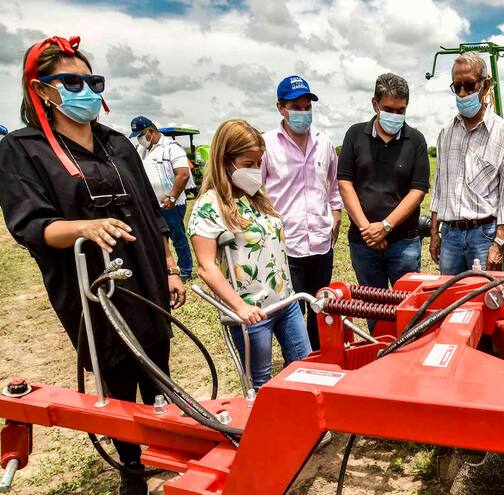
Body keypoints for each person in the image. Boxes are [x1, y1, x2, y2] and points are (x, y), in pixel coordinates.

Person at [0, 36, 186, 495]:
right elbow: (32, 225)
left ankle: (166, 443)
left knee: (156, 365)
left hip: (144, 272)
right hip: (90, 282)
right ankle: (131, 467)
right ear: (43, 90)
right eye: (72, 81)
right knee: (116, 372)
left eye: (92, 80)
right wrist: (83, 227)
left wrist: (170, 267)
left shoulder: (117, 143)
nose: (85, 89)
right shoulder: (24, 150)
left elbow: (150, 210)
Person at [189, 119, 311, 390]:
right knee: (260, 384)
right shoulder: (209, 206)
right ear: (225, 161)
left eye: (258, 163)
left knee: (305, 367)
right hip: (253, 312)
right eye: (248, 164)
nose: (255, 171)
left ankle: (305, 427)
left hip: (286, 302)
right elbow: (206, 266)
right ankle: (266, 431)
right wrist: (240, 307)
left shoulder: (256, 197)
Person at [337, 73, 430, 312]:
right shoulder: (355, 135)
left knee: (408, 309)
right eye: (389, 109)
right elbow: (345, 183)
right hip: (363, 243)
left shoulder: (416, 140)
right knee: (373, 309)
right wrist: (367, 229)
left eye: (401, 111)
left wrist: (386, 226)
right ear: (375, 104)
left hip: (404, 243)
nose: (395, 116)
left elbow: (417, 190)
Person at [262, 75, 341, 351]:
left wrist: (336, 213)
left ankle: (319, 356)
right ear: (280, 108)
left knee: (320, 307)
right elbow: (256, 192)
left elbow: (333, 185)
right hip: (286, 248)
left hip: (321, 242)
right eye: (296, 107)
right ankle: (296, 362)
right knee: (291, 312)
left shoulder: (325, 143)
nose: (303, 113)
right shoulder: (267, 145)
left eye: (307, 106)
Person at [430, 51, 504, 274]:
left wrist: (499, 243)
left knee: (484, 299)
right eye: (457, 86)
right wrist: (434, 233)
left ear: (485, 85)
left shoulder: (501, 133)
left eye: (469, 86)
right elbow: (439, 188)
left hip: (484, 235)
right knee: (449, 299)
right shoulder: (447, 133)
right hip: (450, 234)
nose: (462, 93)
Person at [131, 115, 194, 281]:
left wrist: (172, 198)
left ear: (151, 131)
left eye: (140, 135)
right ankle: (165, 269)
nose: (139, 139)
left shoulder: (172, 148)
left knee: (177, 237)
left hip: (171, 204)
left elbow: (183, 174)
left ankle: (186, 270)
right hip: (153, 204)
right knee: (158, 239)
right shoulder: (141, 150)